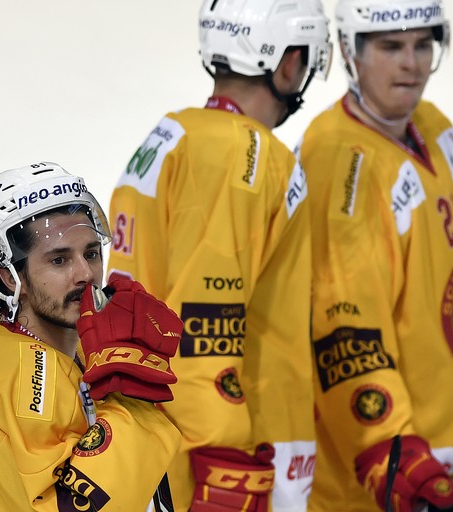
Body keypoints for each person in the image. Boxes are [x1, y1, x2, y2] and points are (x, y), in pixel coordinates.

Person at [299, 1, 453, 510]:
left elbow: (439, 273)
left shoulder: (433, 126)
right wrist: (389, 452)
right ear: (351, 52)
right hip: (376, 487)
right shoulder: (339, 162)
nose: (411, 63)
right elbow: (345, 328)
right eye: (391, 47)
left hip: (444, 467)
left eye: (422, 45)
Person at [106, 0, 332, 509]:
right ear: (289, 61)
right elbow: (206, 320)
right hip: (231, 446)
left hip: (144, 427)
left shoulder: (170, 134)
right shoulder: (250, 158)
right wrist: (221, 452)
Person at [0, 162, 183, 510]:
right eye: (59, 260)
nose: (86, 274)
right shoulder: (22, 375)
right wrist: (133, 401)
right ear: (8, 276)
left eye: (91, 253)